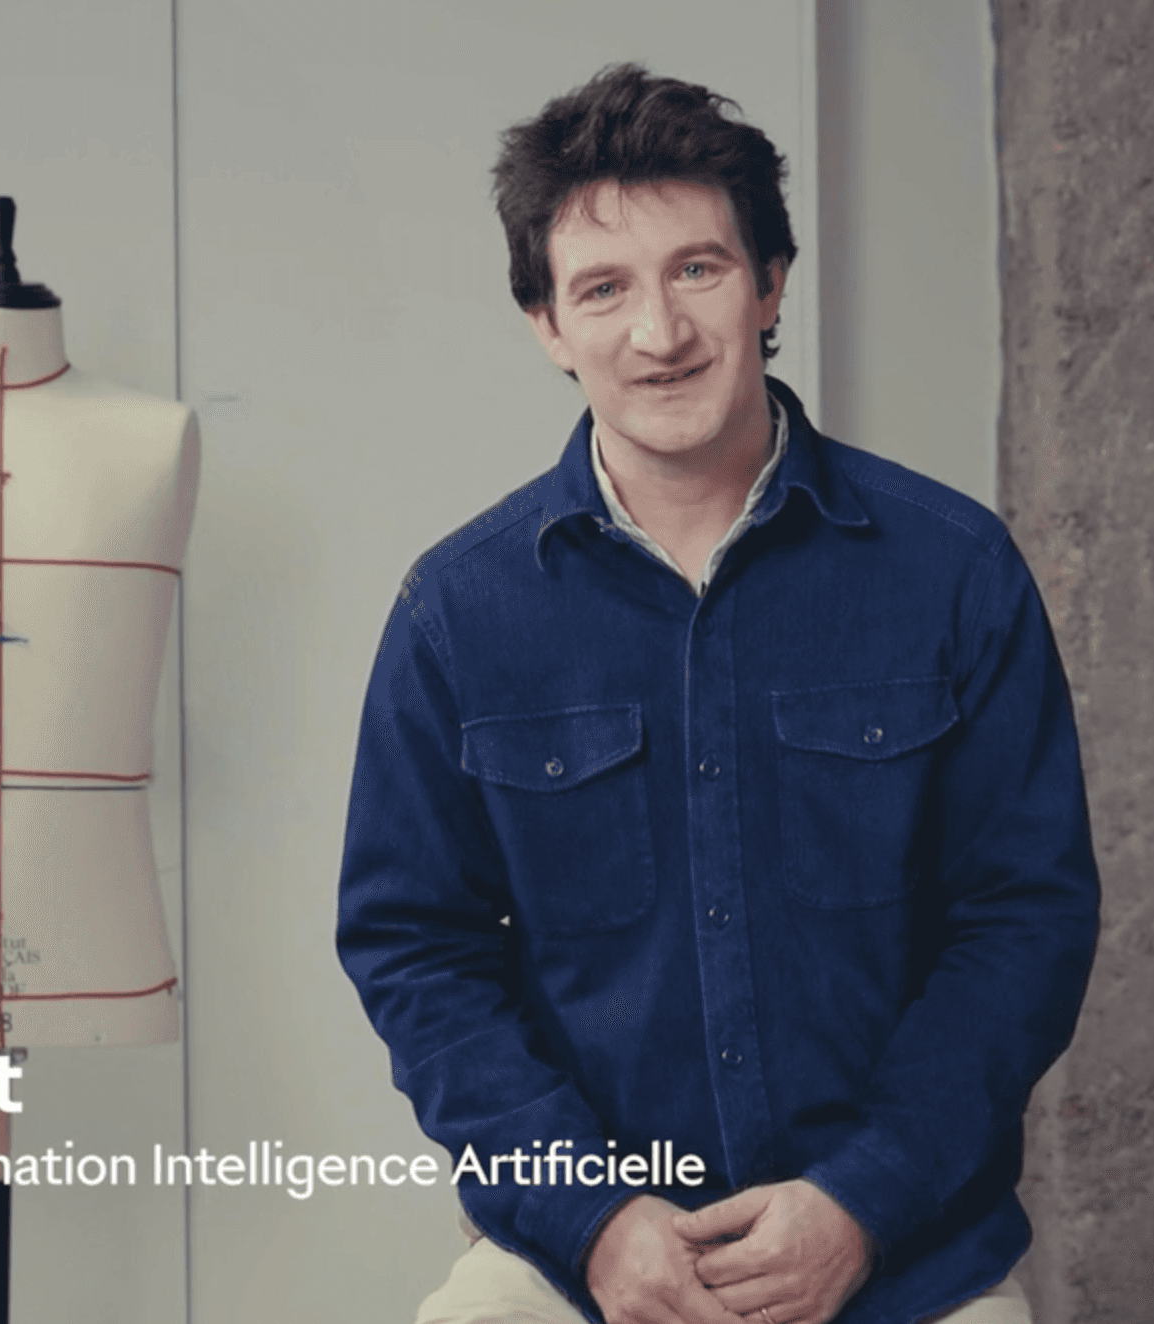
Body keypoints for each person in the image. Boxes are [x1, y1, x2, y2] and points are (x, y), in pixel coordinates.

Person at [337, 65, 1099, 1324]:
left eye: (695, 269)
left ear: (768, 283)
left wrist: (860, 1199)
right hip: (577, 1267)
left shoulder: (952, 572)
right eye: (602, 288)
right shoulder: (456, 615)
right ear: (545, 322)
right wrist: (589, 1219)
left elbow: (1024, 920)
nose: (659, 332)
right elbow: (414, 949)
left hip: (906, 1257)